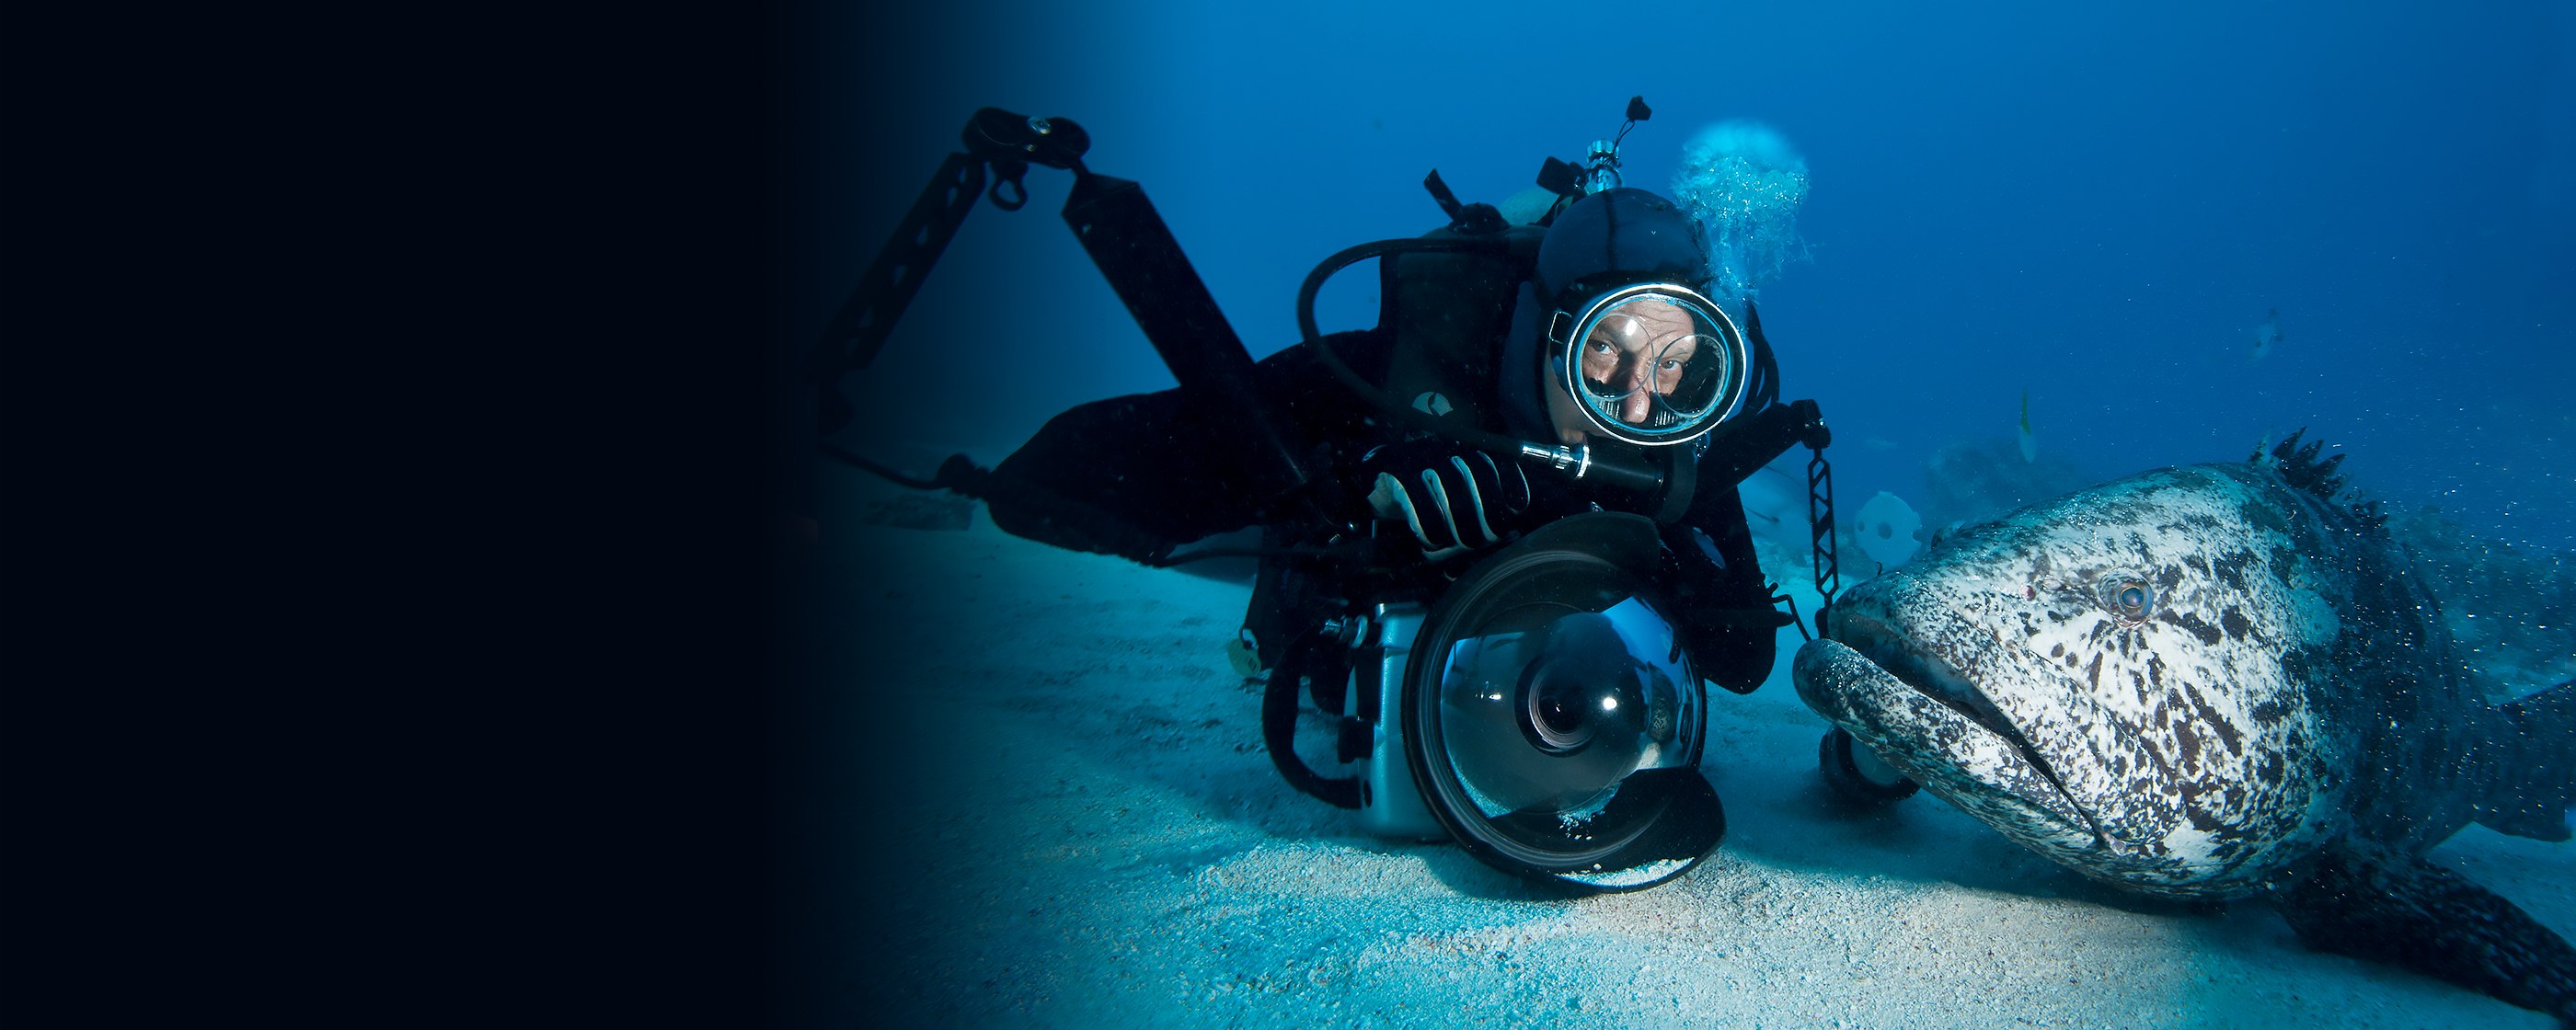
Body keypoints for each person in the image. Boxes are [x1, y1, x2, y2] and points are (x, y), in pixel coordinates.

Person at [983, 185, 1816, 696]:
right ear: (1544, 332)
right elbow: (1044, 481)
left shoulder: (1677, 457)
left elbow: (1742, 660)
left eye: (1676, 367)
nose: (1636, 409)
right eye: (1605, 350)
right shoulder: (1389, 379)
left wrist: (1626, 531)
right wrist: (1344, 488)